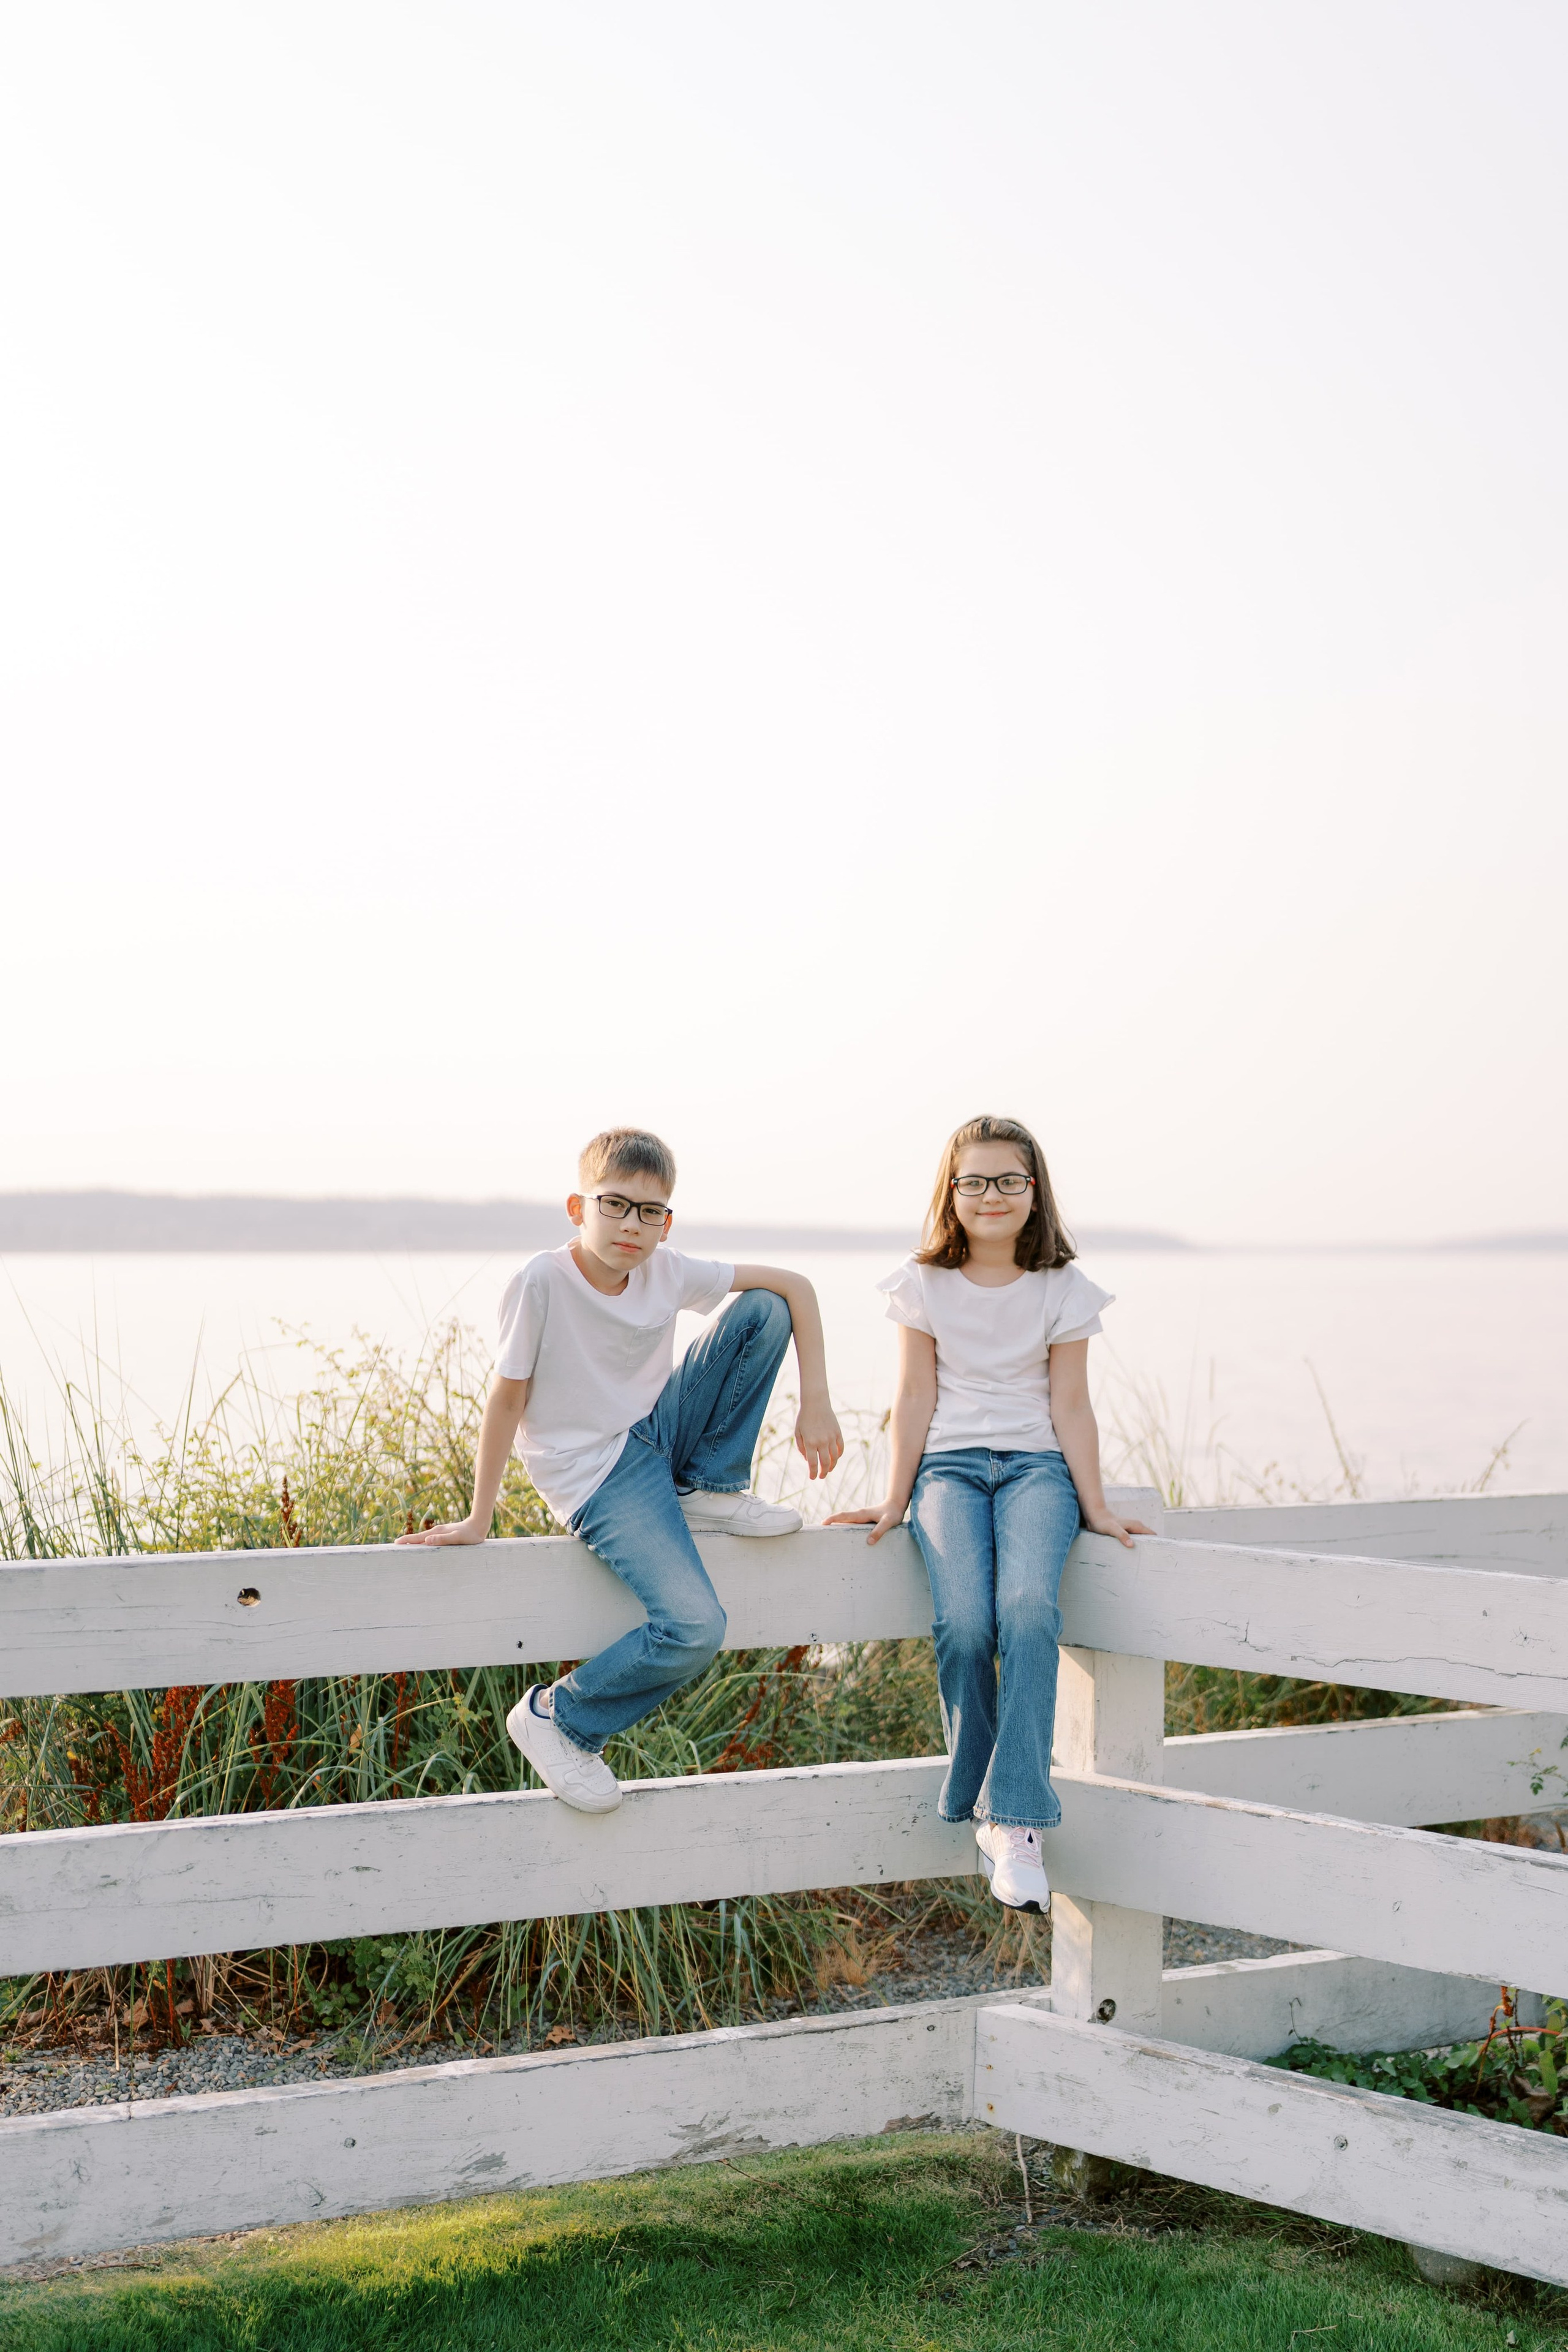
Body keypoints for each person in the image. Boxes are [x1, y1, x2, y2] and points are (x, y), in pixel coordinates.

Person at [399, 1127, 843, 1814]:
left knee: (763, 1309)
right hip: (595, 1474)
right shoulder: (541, 1281)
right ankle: (559, 1717)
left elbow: (798, 1286)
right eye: (614, 1204)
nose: (631, 1224)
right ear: (579, 1209)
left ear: (667, 1224)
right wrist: (477, 1515)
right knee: (695, 1627)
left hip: (654, 1437)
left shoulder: (667, 1269)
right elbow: (507, 1397)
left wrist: (816, 1401)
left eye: (649, 1211)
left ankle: (705, 1487)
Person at [828, 1114, 1150, 1915]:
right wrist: (896, 1497)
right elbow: (913, 1397)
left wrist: (1098, 1504)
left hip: (1038, 1471)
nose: (991, 1195)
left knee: (1029, 1612)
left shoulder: (1065, 1287)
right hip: (949, 1472)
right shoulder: (922, 1283)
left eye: (1009, 1180)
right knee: (966, 1624)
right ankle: (984, 1802)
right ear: (952, 1191)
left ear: (1033, 1191)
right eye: (974, 1180)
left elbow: (1071, 1404)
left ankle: (1017, 1824)